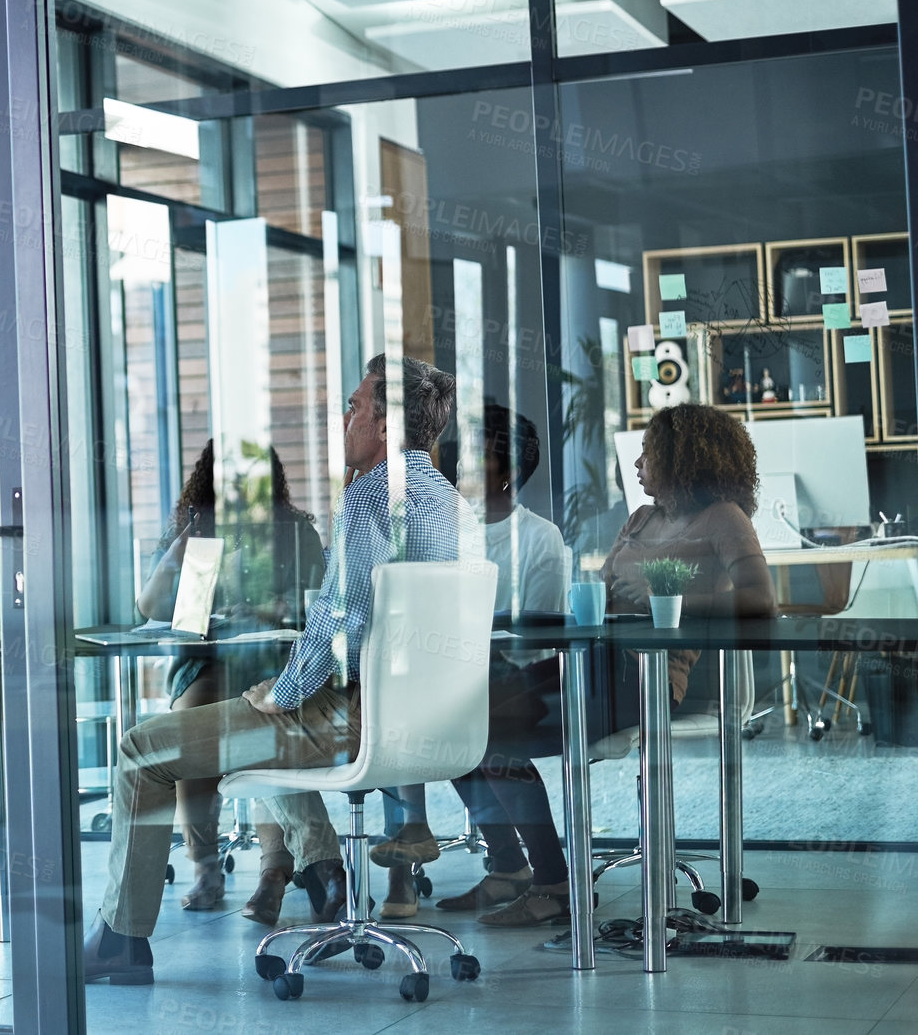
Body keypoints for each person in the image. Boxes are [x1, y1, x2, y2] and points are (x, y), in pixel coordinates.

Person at [84, 355, 477, 985]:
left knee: (140, 751)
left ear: (385, 425)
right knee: (231, 729)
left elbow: (340, 614)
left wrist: (286, 691)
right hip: (424, 715)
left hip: (349, 714)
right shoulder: (450, 503)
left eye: (354, 405)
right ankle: (315, 867)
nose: (343, 417)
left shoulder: (372, 496)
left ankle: (120, 941)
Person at [134, 440, 326, 923]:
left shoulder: (293, 531)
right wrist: (184, 547)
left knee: (264, 724)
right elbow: (153, 609)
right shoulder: (199, 533)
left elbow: (318, 603)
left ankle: (274, 868)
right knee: (189, 727)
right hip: (210, 664)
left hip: (277, 661)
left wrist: (271, 608)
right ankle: (205, 865)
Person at [433, 406, 576, 926]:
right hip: (467, 676)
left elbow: (539, 639)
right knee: (437, 731)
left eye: (479, 456)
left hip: (530, 680)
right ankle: (508, 867)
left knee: (485, 729)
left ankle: (554, 881)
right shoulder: (448, 532)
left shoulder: (542, 540)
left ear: (509, 471)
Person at [603, 403, 778, 706]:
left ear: (678, 458)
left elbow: (762, 599)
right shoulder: (640, 518)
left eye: (648, 452)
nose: (636, 462)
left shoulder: (724, 517)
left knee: (517, 704)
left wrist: (665, 602)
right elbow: (602, 587)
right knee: (503, 695)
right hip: (604, 655)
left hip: (653, 673)